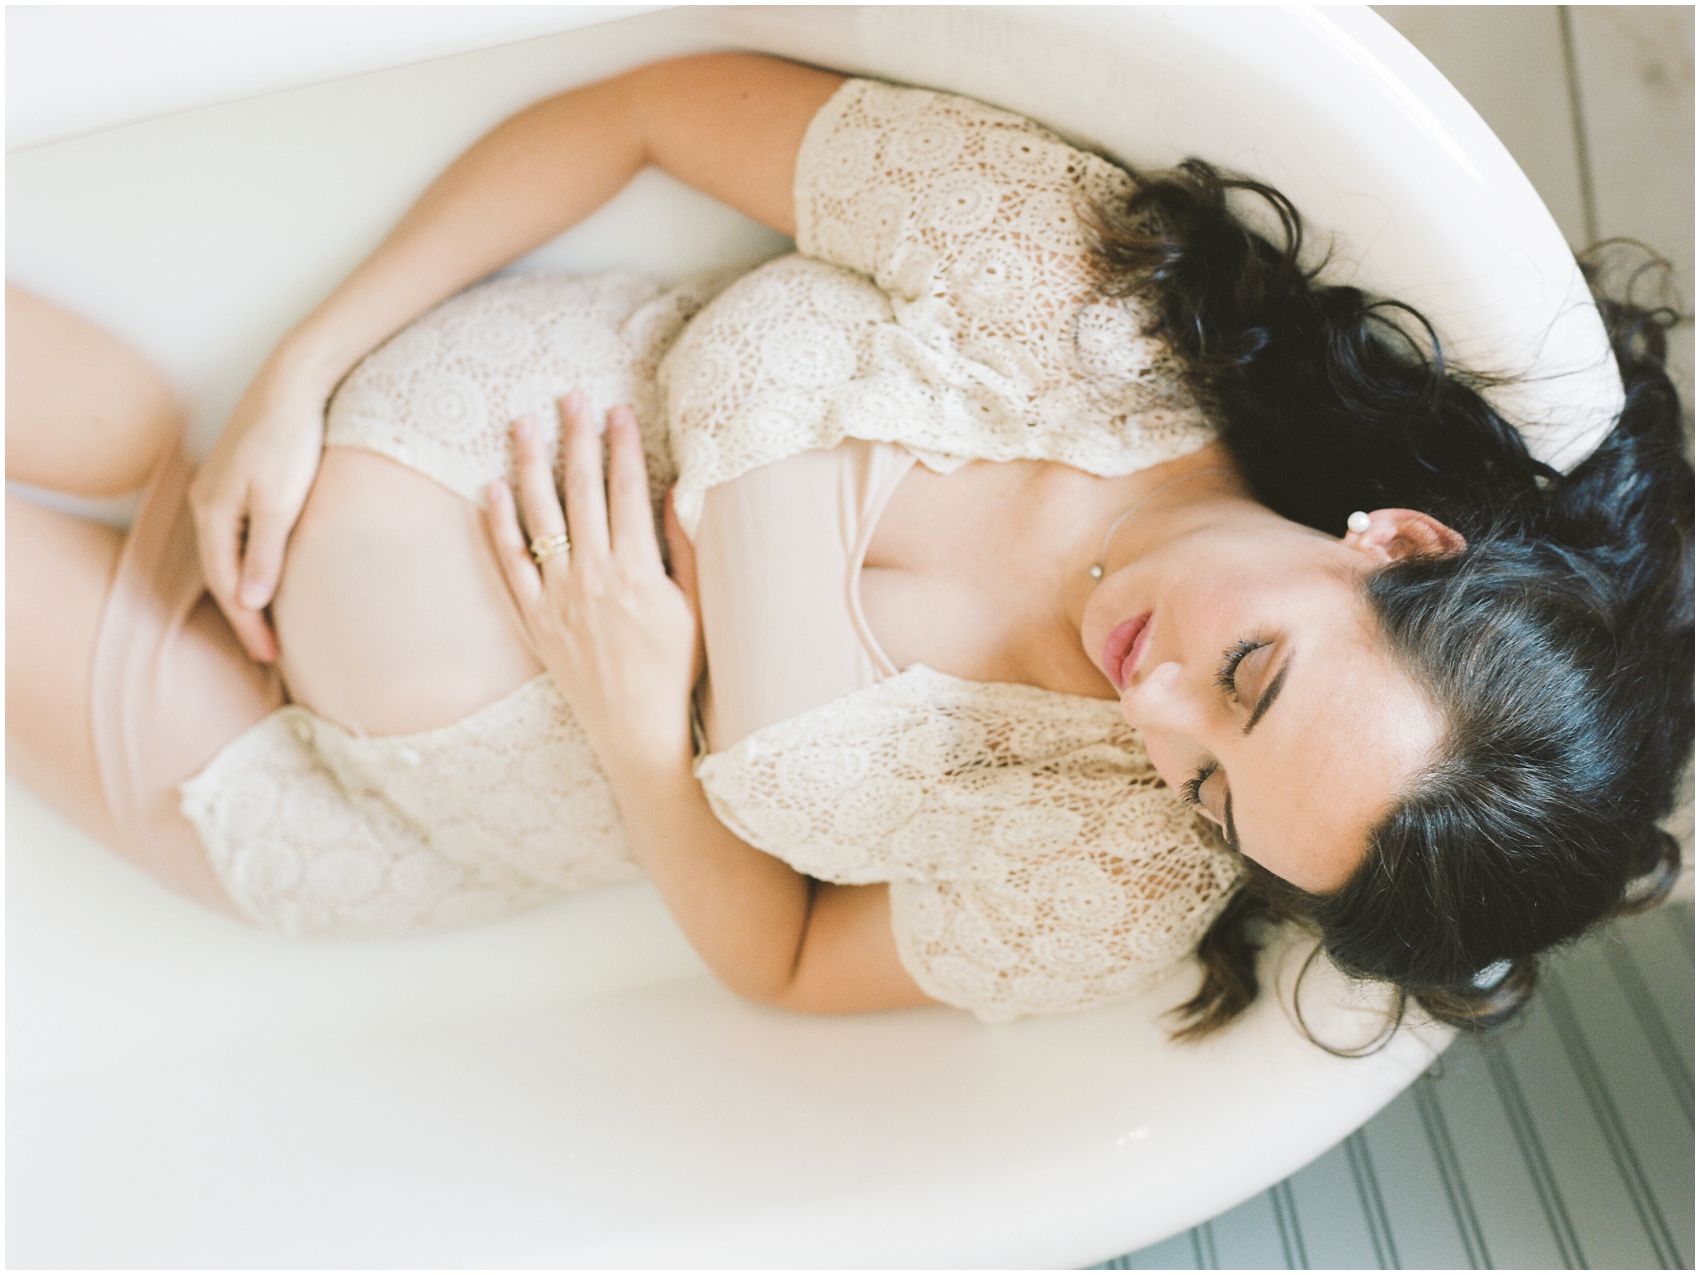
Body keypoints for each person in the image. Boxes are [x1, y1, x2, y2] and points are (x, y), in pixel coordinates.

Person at [7, 52, 1690, 1047]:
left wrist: (639, 730)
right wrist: (298, 375)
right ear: (1394, 541)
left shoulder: (1114, 882)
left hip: (304, 792)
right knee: (126, 424)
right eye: (1251, 678)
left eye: (1209, 795)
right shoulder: (1080, 296)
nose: (1155, 712)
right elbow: (649, 113)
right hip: (240, 462)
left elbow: (794, 967)